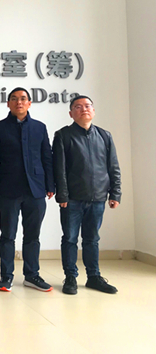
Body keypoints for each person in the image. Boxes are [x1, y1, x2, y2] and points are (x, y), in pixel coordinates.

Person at [53, 95, 121, 295]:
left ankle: (94, 277)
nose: (84, 109)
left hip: (98, 198)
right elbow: (59, 169)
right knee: (70, 239)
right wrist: (62, 195)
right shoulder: (63, 135)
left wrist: (115, 193)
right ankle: (70, 277)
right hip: (72, 199)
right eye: (78, 107)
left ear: (93, 110)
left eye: (87, 106)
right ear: (71, 113)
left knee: (92, 239)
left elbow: (113, 166)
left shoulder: (105, 136)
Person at [0, 87, 55, 292]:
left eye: (23, 98)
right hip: (8, 189)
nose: (19, 102)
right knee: (8, 235)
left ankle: (32, 275)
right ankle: (6, 276)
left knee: (32, 235)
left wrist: (50, 185)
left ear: (29, 103)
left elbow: (47, 157)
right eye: (14, 99)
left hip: (36, 189)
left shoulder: (39, 127)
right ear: (8, 103)